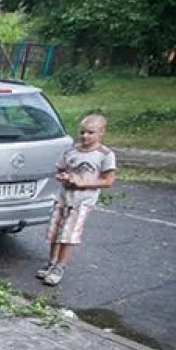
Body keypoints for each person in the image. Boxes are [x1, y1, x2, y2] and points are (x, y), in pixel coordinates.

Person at [37, 114, 116, 286]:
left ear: (101, 133)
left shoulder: (105, 155)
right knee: (54, 232)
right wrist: (64, 177)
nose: (85, 136)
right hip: (64, 197)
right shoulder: (71, 151)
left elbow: (108, 180)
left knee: (68, 234)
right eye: (82, 132)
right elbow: (59, 170)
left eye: (91, 133)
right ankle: (51, 262)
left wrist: (84, 182)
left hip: (82, 201)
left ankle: (60, 266)